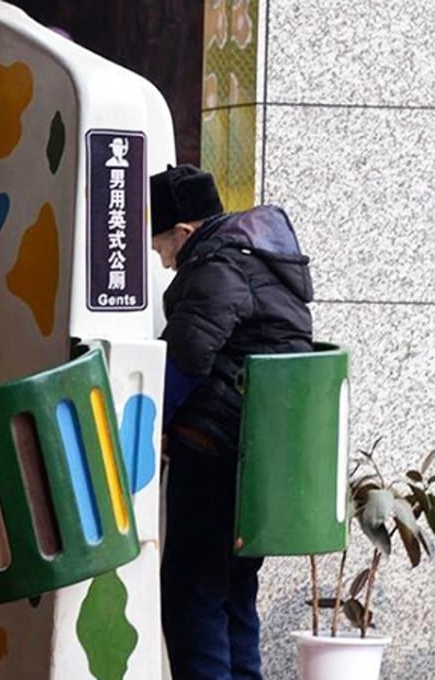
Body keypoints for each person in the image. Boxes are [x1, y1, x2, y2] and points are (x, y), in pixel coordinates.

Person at [150, 165, 314, 679]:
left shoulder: (217, 268)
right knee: (234, 592)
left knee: (190, 596)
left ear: (183, 232)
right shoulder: (260, 263)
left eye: (158, 242)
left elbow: (185, 359)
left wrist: (153, 422)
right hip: (258, 456)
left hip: (215, 452)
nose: (158, 256)